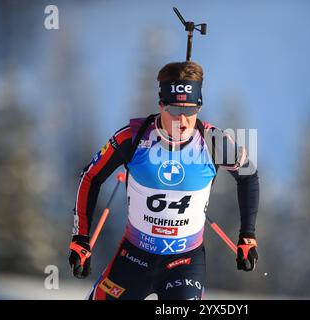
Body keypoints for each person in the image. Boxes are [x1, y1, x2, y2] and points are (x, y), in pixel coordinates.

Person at [68, 61, 260, 300]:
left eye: (190, 111)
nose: (183, 120)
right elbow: (91, 177)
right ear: (161, 105)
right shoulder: (134, 137)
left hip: (185, 262)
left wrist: (247, 235)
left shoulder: (214, 142)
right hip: (134, 257)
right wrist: (81, 238)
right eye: (175, 111)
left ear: (199, 107)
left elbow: (249, 176)